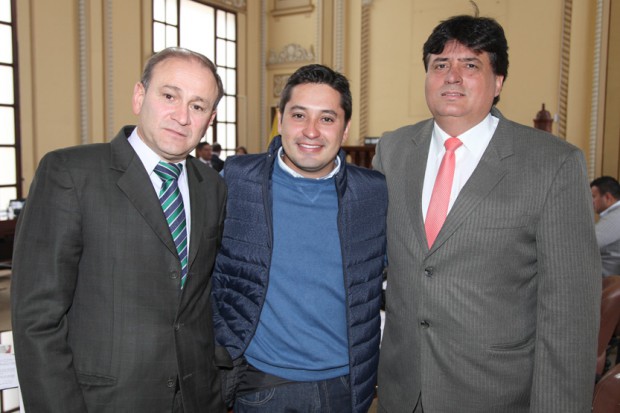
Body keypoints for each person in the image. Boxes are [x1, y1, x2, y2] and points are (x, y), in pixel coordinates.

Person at [372, 15, 601, 413]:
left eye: (470, 64)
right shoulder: (392, 151)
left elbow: (570, 314)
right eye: (440, 64)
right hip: (402, 390)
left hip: (495, 394)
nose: (452, 76)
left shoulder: (552, 163)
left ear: (498, 83)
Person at [11, 47, 228, 412]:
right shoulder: (71, 173)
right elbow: (37, 318)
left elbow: (197, 302)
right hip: (105, 401)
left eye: (198, 105)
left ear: (210, 118)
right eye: (170, 96)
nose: (181, 116)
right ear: (139, 96)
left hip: (196, 398)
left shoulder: (213, 187)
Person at [211, 64, 387, 413]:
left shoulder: (372, 193)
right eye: (299, 115)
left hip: (346, 387)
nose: (311, 131)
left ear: (345, 127)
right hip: (262, 387)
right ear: (281, 119)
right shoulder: (238, 179)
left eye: (327, 118)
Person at [591, 176, 620, 277]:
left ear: (607, 197)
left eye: (593, 196)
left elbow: (587, 243)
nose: (590, 201)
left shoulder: (616, 216)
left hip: (604, 279)